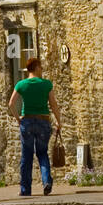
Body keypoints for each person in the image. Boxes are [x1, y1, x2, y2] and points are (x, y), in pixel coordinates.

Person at [9, 57, 61, 196]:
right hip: (43, 121)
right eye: (41, 67)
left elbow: (11, 104)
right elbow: (53, 104)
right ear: (37, 67)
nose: (42, 69)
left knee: (26, 156)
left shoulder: (21, 84)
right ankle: (46, 182)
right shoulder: (46, 84)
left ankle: (25, 190)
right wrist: (58, 121)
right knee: (42, 153)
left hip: (27, 122)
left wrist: (18, 118)